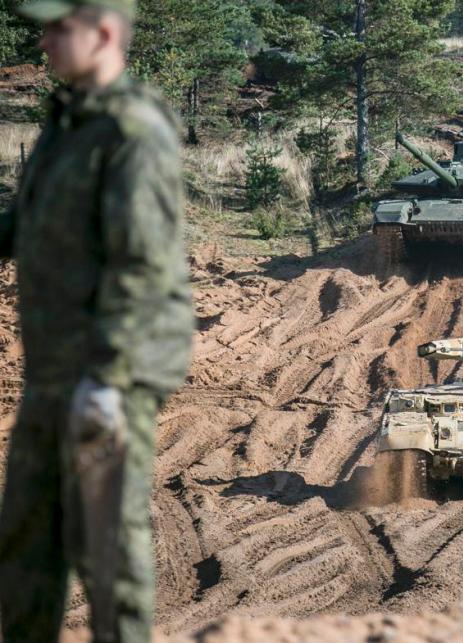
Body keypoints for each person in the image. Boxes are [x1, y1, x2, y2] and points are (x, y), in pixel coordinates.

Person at [0, 1, 193, 641]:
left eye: (60, 26)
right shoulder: (68, 122)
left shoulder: (131, 131)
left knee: (107, 552)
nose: (45, 39)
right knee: (25, 543)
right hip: (53, 371)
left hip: (111, 372)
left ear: (103, 33)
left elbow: (142, 266)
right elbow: (29, 225)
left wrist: (106, 382)